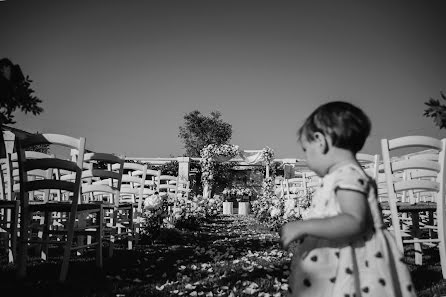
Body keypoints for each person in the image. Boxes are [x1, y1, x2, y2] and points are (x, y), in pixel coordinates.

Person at [280, 101, 416, 297]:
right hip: (339, 257)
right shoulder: (344, 175)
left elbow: (354, 221)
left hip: (350, 262)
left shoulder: (347, 175)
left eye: (305, 150)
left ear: (320, 141)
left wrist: (303, 226)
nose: (307, 159)